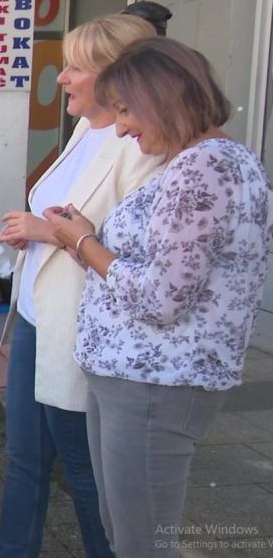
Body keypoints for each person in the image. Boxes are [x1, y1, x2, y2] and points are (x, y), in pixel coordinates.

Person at [46, 37, 273, 557]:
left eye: (125, 110)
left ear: (163, 96)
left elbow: (162, 298)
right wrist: (88, 240)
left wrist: (83, 242)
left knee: (142, 542)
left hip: (156, 384)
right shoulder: (202, 163)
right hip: (138, 380)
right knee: (127, 532)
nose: (121, 127)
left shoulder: (204, 168)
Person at [0, 15, 159, 558]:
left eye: (74, 67)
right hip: (40, 321)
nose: (61, 78)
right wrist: (37, 233)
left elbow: (135, 255)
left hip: (85, 336)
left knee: (86, 475)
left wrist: (53, 232)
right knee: (23, 461)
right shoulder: (87, 129)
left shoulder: (141, 145)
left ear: (117, 76)